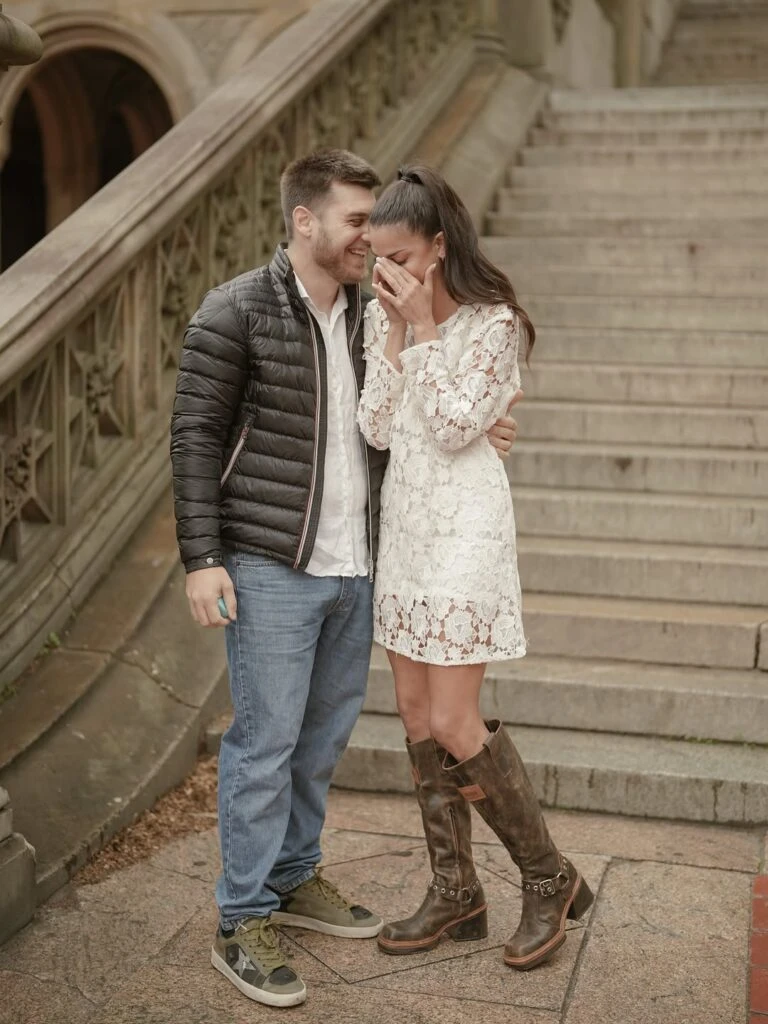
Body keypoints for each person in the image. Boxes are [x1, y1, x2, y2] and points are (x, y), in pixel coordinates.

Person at [170, 148, 521, 1008]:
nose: (370, 238)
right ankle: (242, 918)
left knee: (321, 743)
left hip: (361, 565)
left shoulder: (374, 313)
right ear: (305, 220)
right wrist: (202, 558)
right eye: (357, 220)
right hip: (271, 564)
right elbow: (195, 438)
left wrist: (485, 430)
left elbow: (407, 424)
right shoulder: (236, 310)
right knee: (264, 745)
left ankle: (294, 877)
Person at [357, 165, 593, 972]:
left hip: (466, 533)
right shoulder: (381, 318)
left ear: (437, 246)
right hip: (407, 534)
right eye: (377, 260)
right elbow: (378, 427)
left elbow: (458, 426)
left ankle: (547, 877)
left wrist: (424, 331)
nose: (385, 273)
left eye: (398, 257)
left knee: (458, 722)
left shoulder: (494, 326)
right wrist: (396, 334)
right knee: (416, 718)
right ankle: (456, 891)